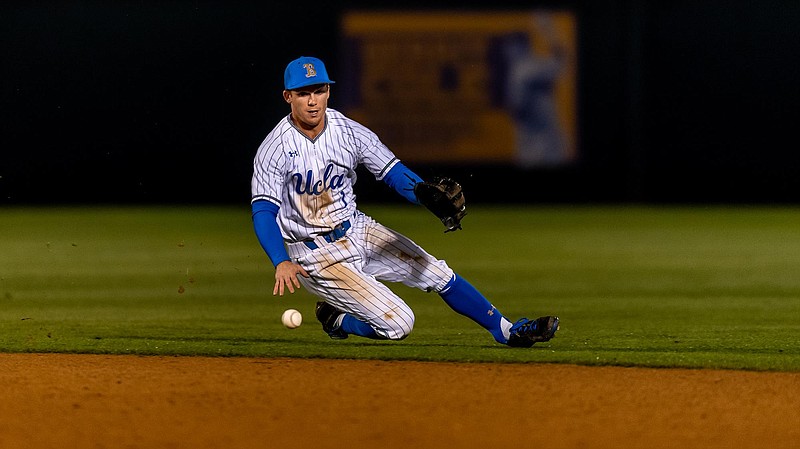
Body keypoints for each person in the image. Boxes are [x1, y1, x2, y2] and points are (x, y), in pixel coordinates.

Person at [251, 56, 558, 347]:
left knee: (437, 273)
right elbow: (264, 210)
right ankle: (337, 320)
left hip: (358, 229)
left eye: (320, 90)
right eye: (303, 93)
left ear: (329, 91)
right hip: (315, 254)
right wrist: (281, 260)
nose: (313, 100)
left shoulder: (348, 131)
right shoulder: (275, 148)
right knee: (399, 324)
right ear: (288, 96)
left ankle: (506, 331)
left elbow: (392, 171)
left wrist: (423, 193)